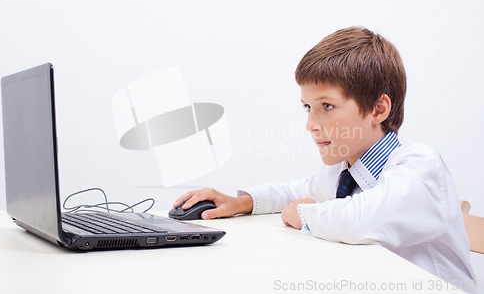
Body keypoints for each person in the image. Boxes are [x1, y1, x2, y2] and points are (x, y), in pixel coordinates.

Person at [173, 26, 477, 293]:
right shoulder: (342, 172)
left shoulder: (419, 167)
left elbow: (363, 220)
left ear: (378, 109)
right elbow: (294, 192)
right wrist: (242, 202)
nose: (311, 124)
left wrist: (307, 214)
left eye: (327, 106)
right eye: (307, 107)